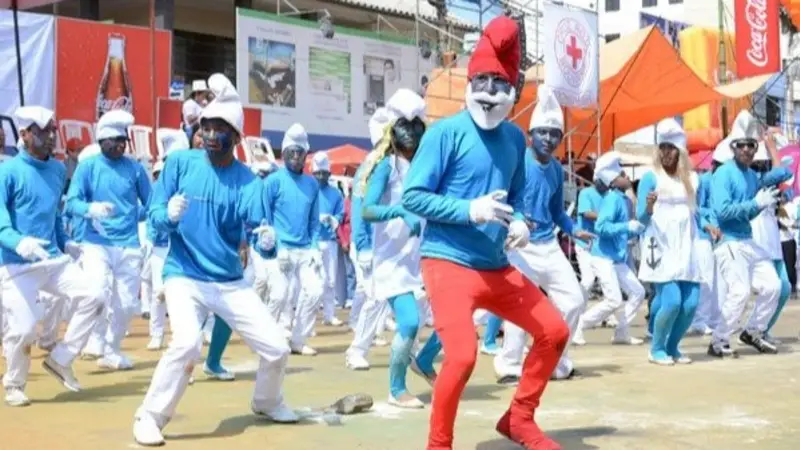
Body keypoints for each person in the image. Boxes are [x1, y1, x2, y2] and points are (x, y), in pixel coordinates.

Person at [402, 17, 570, 450]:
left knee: (554, 331)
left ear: (513, 87)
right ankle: (439, 444)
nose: (490, 91)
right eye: (482, 80)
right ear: (469, 81)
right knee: (461, 356)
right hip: (446, 261)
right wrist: (468, 210)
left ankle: (518, 419)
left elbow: (516, 196)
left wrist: (519, 222)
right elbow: (413, 197)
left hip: (495, 266)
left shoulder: (515, 140)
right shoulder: (445, 133)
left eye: (500, 82)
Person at [133, 83, 297, 446]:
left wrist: (268, 243)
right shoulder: (179, 164)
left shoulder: (248, 183)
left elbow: (259, 234)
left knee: (277, 348)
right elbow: (155, 215)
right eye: (205, 127)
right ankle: (150, 416)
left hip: (229, 281)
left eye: (219, 129)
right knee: (187, 343)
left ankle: (267, 401)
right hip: (184, 274)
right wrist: (167, 216)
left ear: (236, 137)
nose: (209, 135)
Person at [0, 106, 102, 406]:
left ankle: (61, 359)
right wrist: (19, 242)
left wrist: (65, 242)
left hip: (53, 260)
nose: (49, 137)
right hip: (16, 265)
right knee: (24, 330)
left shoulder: (58, 170)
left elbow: (54, 213)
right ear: (24, 134)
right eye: (41, 131)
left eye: (51, 131)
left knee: (95, 295)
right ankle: (14, 384)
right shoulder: (7, 171)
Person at [495, 86, 594, 383]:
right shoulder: (518, 161)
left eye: (554, 134)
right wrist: (516, 220)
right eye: (543, 133)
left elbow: (557, 212)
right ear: (531, 134)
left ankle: (553, 358)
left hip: (549, 246)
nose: (549, 139)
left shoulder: (556, 171)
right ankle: (509, 364)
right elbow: (502, 198)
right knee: (519, 306)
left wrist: (574, 230)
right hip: (519, 246)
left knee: (574, 300)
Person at [66, 110, 151, 370]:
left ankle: (111, 350)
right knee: (98, 292)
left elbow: (151, 203)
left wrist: (135, 214)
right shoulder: (88, 167)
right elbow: (71, 203)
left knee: (126, 304)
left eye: (123, 140)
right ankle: (95, 339)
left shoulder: (135, 169)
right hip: (96, 242)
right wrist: (91, 209)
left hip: (128, 244)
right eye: (115, 140)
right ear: (102, 140)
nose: (121, 145)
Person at [360, 88, 428, 407]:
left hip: (424, 257)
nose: (410, 132)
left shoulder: (426, 164)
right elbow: (367, 210)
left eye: (416, 125)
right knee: (410, 322)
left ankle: (423, 360)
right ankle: (397, 389)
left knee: (457, 315)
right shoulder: (386, 166)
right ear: (392, 129)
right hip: (393, 262)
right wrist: (399, 211)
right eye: (403, 125)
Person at [709, 111, 788, 358]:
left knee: (773, 285)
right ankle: (718, 340)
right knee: (740, 292)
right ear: (733, 147)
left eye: (751, 145)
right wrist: (756, 204)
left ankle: (753, 331)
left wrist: (774, 150)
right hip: (729, 241)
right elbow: (723, 212)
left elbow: (779, 175)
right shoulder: (723, 174)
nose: (746, 149)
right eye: (742, 145)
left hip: (747, 240)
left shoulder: (751, 175)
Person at [636, 119, 714, 365]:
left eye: (671, 148)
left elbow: (696, 213)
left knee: (690, 304)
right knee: (671, 301)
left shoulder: (692, 179)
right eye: (663, 147)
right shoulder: (650, 178)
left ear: (680, 151)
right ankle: (656, 348)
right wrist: (649, 207)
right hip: (661, 246)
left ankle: (672, 347)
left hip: (686, 247)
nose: (666, 153)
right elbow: (641, 217)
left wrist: (708, 225)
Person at [573, 152, 647, 346]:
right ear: (613, 181)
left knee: (638, 292)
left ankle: (622, 332)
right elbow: (601, 227)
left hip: (617, 258)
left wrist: (633, 231)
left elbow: (622, 231)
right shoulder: (612, 199)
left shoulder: (625, 200)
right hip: (602, 257)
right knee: (614, 300)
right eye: (622, 174)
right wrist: (626, 226)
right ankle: (578, 325)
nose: (627, 176)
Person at [262, 123, 323, 355]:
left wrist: (315, 247)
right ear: (284, 152)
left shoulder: (312, 185)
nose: (296, 157)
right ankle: (265, 338)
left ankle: (298, 340)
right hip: (281, 248)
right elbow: (264, 219)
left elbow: (314, 221)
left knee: (315, 291)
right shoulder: (273, 181)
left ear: (306, 155)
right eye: (291, 152)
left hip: (305, 249)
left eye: (300, 152)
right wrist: (275, 246)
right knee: (279, 295)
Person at [345, 108, 392, 370]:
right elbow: (359, 209)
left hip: (388, 245)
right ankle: (356, 350)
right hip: (368, 245)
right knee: (375, 296)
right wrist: (362, 245)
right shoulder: (370, 166)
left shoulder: (396, 164)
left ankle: (408, 347)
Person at [750, 139, 792, 344]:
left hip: (773, 243)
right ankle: (754, 328)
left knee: (784, 289)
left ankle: (762, 329)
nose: (763, 166)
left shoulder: (770, 184)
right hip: (757, 244)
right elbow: (782, 172)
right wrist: (773, 148)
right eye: (761, 163)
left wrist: (782, 198)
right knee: (772, 288)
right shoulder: (754, 181)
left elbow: (785, 180)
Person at [311, 152, 346, 327]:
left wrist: (333, 219)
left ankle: (329, 314)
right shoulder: (309, 190)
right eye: (318, 173)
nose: (320, 177)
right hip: (313, 241)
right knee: (314, 281)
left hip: (330, 240)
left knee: (330, 280)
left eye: (323, 173)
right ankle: (309, 318)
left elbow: (340, 214)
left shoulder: (335, 193)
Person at [145, 160, 169, 351]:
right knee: (159, 293)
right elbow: (150, 218)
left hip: (181, 247)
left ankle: (183, 334)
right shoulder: (154, 193)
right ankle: (156, 334)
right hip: (159, 248)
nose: (160, 178)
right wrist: (150, 239)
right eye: (157, 175)